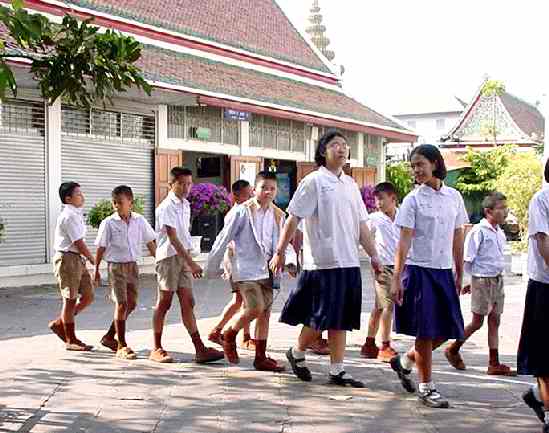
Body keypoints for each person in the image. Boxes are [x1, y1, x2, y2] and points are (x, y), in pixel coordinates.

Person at [270, 129, 381, 387]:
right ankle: (297, 351)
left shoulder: (351, 184)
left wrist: (374, 255)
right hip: (323, 261)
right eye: (334, 145)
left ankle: (337, 369)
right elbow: (294, 218)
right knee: (322, 315)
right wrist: (280, 252)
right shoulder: (314, 182)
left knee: (340, 317)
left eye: (344, 145)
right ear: (323, 151)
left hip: (349, 260)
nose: (341, 149)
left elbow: (362, 225)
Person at [389, 144, 468, 408]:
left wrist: (459, 271)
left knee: (449, 329)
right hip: (419, 270)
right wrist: (397, 277)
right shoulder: (413, 200)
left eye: (420, 164)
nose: (416, 170)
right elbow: (403, 242)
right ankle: (426, 387)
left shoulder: (453, 197)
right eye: (413, 166)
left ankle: (405, 361)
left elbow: (458, 235)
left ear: (435, 163)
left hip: (443, 270)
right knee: (425, 331)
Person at [207, 171, 297, 372]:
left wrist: (290, 262)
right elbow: (224, 237)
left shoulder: (278, 214)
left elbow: (284, 243)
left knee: (264, 314)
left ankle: (260, 357)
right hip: (245, 269)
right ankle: (229, 334)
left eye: (272, 188)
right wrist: (212, 266)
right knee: (255, 307)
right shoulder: (242, 211)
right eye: (264, 187)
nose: (268, 192)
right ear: (255, 189)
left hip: (269, 270)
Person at [150, 167, 224, 364]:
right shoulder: (166, 207)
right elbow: (173, 238)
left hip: (183, 258)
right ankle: (156, 347)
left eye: (189, 183)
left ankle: (199, 348)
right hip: (168, 259)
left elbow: (184, 235)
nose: (185, 187)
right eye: (181, 183)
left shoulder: (185, 205)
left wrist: (190, 257)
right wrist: (191, 263)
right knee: (164, 303)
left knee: (188, 302)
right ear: (171, 184)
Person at [445, 192, 514, 375]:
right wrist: (468, 280)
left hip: (497, 280)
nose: (505, 212)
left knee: (495, 319)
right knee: (477, 321)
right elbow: (468, 258)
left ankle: (494, 362)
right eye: (501, 208)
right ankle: (453, 348)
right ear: (488, 211)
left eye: (505, 208)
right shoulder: (479, 231)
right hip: (482, 280)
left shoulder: (499, 232)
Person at [94, 185, 157, 360]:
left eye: (120, 202)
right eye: (114, 202)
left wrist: (158, 261)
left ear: (130, 202)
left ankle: (109, 337)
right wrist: (96, 269)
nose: (116, 206)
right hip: (116, 267)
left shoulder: (139, 220)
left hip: (132, 267)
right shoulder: (108, 222)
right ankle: (122, 344)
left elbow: (150, 242)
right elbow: (101, 247)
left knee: (132, 304)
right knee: (121, 304)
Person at [518, 159, 549, 433]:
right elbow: (544, 244)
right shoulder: (542, 199)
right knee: (544, 351)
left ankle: (538, 395)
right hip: (545, 285)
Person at [208, 179, 255, 350]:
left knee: (241, 300)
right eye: (248, 193)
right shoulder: (235, 213)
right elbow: (227, 241)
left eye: (252, 192)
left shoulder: (250, 211)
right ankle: (240, 335)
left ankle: (223, 331)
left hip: (243, 262)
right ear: (236, 195)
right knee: (244, 300)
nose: (252, 196)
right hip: (236, 261)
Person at [49, 182, 95, 351]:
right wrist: (92, 258)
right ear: (68, 199)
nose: (82, 196)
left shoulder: (76, 213)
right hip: (67, 258)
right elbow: (78, 242)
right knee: (70, 299)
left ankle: (60, 323)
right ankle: (71, 339)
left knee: (88, 296)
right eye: (78, 194)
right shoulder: (68, 216)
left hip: (77, 259)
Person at [361, 182, 399, 362]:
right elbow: (363, 238)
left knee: (379, 306)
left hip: (399, 267)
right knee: (387, 306)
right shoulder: (373, 219)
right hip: (381, 267)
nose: (379, 203)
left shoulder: (403, 218)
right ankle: (384, 345)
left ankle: (369, 343)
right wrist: (373, 258)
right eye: (376, 200)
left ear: (393, 198)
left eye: (382, 199)